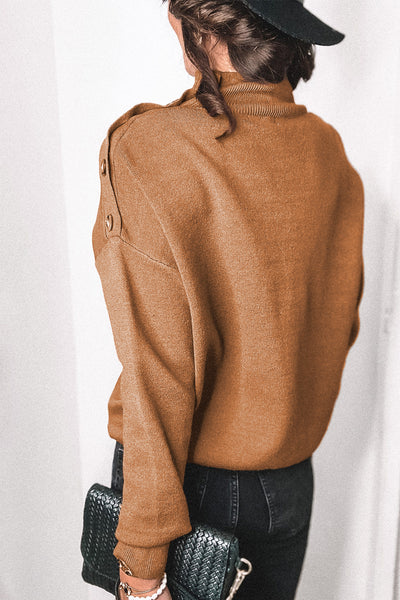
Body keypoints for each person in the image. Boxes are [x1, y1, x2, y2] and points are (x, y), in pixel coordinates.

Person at [91, 1, 364, 599]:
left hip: (191, 492)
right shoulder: (328, 150)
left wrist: (142, 565)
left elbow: (156, 372)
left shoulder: (153, 148)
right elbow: (336, 327)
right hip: (289, 485)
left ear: (200, 24)